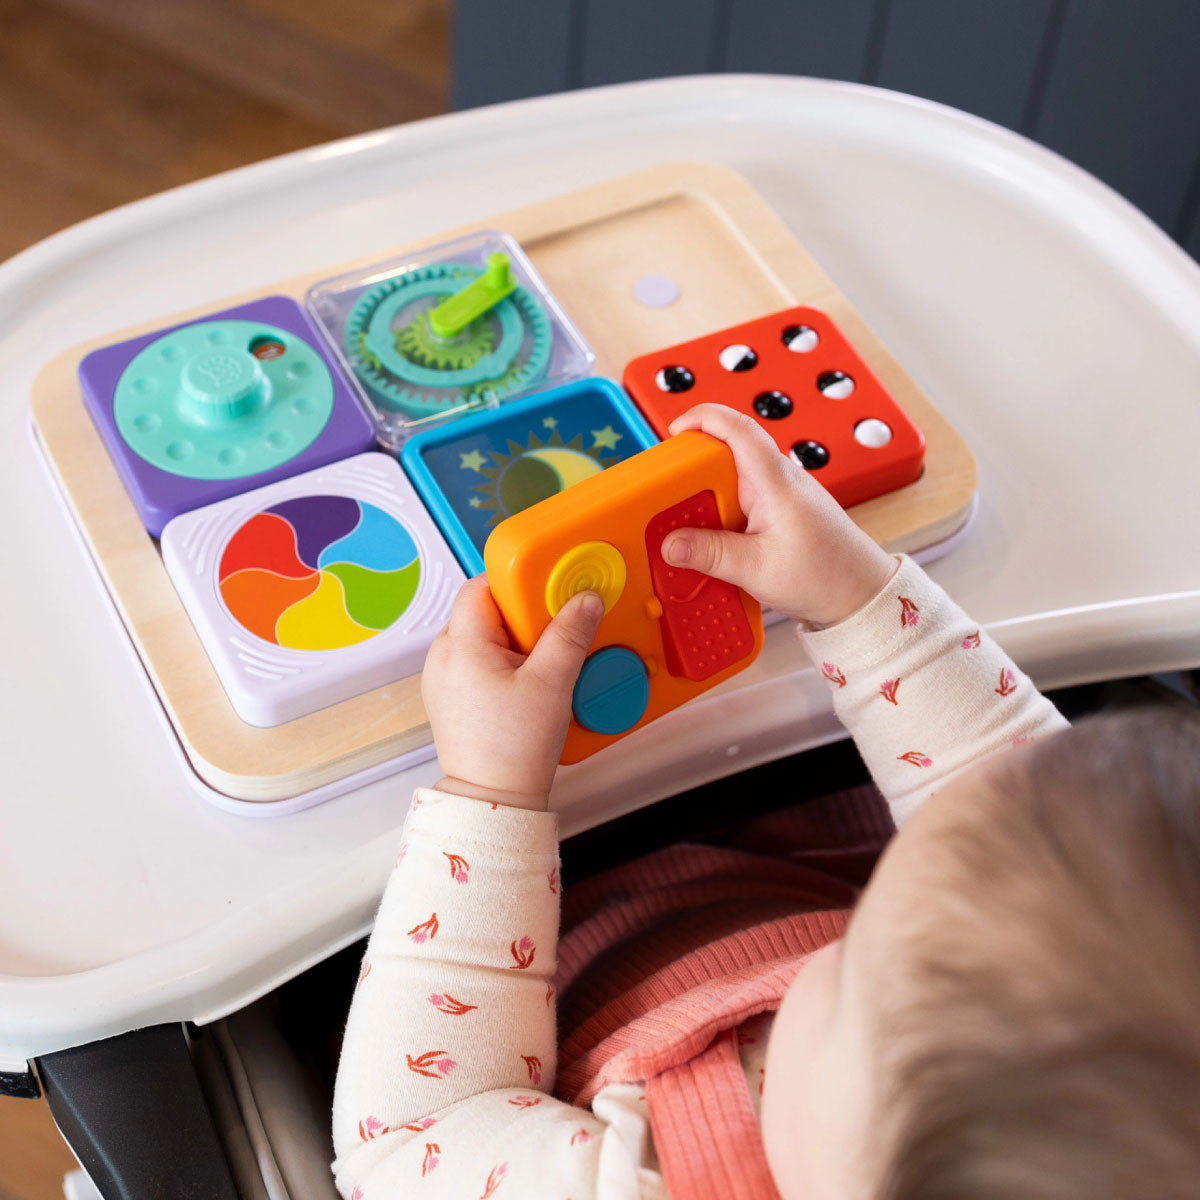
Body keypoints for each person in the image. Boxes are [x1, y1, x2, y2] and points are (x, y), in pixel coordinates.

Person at [331, 405, 1200, 1199]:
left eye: (855, 973)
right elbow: (1001, 798)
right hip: (767, 867)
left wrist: (488, 791)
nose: (831, 957)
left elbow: (410, 1134)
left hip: (537, 972)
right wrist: (858, 598)